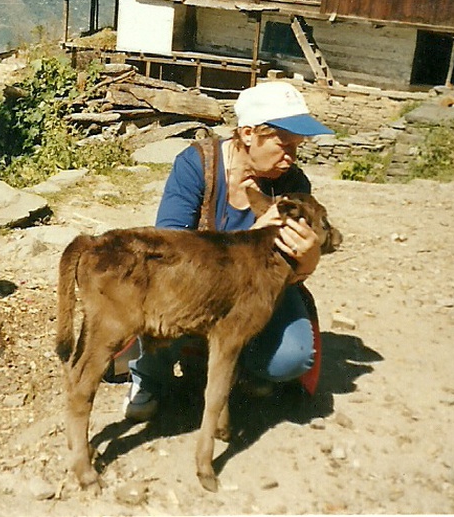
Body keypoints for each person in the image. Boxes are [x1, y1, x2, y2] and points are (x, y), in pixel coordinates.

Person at [124, 81, 334, 421]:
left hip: (256, 290)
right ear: (249, 133)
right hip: (192, 280)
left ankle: (240, 367)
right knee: (161, 298)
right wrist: (253, 235)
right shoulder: (197, 164)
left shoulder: (293, 184)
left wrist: (310, 256)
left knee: (293, 356)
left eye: (297, 147)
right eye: (283, 145)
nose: (291, 158)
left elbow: (293, 268)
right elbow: (170, 244)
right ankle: (149, 378)